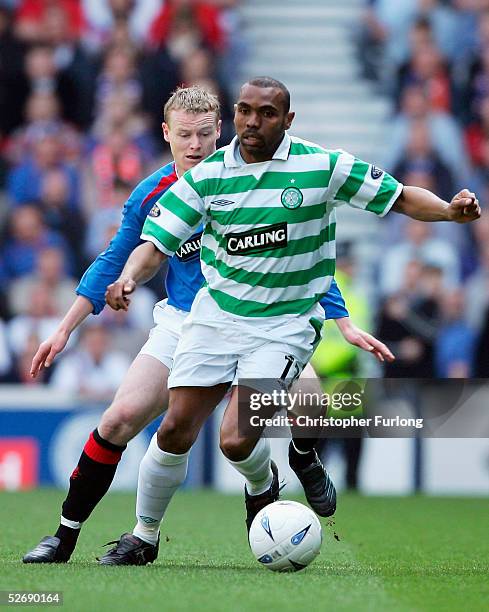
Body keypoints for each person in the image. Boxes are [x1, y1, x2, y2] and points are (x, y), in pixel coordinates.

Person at [104, 76, 480, 564]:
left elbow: (401, 195)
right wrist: (130, 278)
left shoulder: (322, 166)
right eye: (244, 111)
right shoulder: (206, 175)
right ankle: (143, 538)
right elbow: (156, 245)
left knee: (235, 438)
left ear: (288, 119)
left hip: (283, 326)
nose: (252, 123)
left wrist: (450, 212)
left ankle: (302, 456)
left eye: (265, 113)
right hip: (215, 318)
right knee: (174, 430)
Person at [22, 85, 392, 565]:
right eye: (184, 136)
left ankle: (300, 460)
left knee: (311, 406)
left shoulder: (252, 179)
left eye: (203, 134)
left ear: (218, 131)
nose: (194, 145)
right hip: (185, 324)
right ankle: (70, 537)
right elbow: (115, 259)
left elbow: (302, 256)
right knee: (118, 420)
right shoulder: (152, 193)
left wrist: (341, 319)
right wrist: (64, 328)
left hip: (264, 319)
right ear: (166, 135)